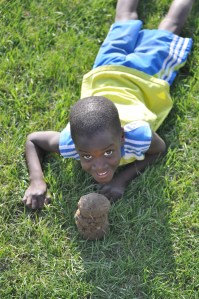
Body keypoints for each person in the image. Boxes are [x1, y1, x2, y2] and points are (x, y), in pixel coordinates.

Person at [23, 0, 194, 209]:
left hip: (146, 75)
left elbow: (158, 150)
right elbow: (33, 141)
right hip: (107, 68)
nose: (100, 165)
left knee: (170, 25)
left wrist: (121, 180)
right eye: (86, 155)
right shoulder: (70, 143)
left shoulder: (138, 135)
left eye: (108, 152)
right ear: (75, 146)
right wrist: (37, 180)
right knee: (125, 19)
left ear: (122, 136)